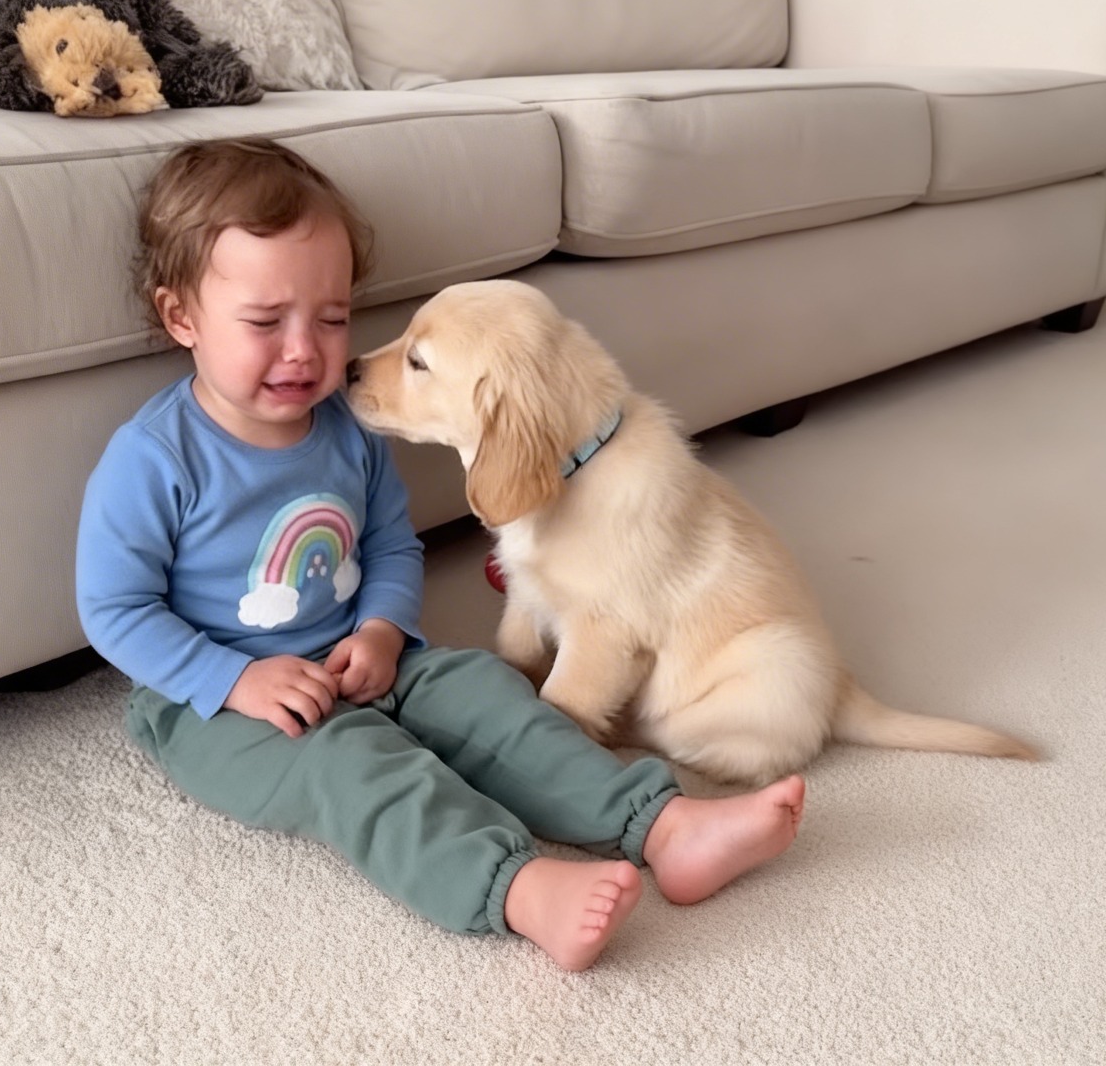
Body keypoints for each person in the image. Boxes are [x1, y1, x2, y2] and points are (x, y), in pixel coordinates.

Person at [76, 137, 806, 972]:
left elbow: (389, 542)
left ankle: (664, 825)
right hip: (209, 702)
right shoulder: (154, 459)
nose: (306, 350)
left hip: (363, 655)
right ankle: (521, 887)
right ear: (182, 319)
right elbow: (113, 609)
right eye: (265, 322)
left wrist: (385, 629)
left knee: (488, 693)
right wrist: (235, 679)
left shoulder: (347, 429)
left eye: (333, 317)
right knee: (356, 764)